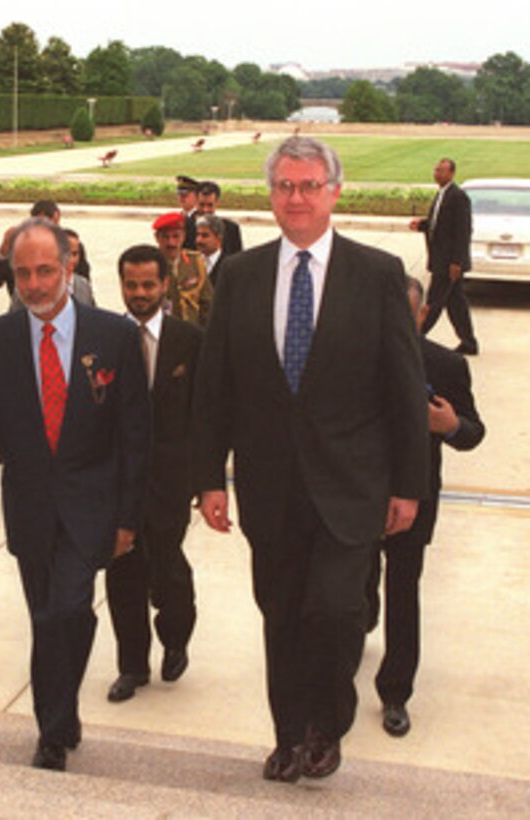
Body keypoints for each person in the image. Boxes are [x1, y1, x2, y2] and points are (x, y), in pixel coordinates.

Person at [193, 136, 429, 783]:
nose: (296, 198)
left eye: (309, 185)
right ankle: (289, 735)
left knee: (334, 609)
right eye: (284, 186)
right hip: (270, 487)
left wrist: (409, 485)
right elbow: (215, 389)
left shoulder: (377, 274)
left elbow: (405, 391)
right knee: (283, 614)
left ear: (335, 191)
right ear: (271, 195)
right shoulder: (239, 277)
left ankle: (327, 723)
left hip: (352, 486)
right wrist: (209, 478)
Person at [0, 218, 150, 771]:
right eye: (23, 274)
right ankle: (57, 723)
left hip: (93, 508)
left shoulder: (113, 336)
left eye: (45, 271)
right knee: (48, 615)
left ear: (69, 266)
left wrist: (128, 519)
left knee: (68, 606)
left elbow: (136, 436)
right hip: (31, 509)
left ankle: (53, 724)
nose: (35, 285)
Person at [366, 275, 484, 738]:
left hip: (415, 497)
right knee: (355, 582)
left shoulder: (446, 365)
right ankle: (359, 625)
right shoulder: (352, 360)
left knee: (403, 587)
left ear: (421, 314)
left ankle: (395, 691)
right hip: (357, 495)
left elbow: (474, 433)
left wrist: (452, 425)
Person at [105, 245, 201, 703]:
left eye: (148, 285)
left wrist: (206, 481)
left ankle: (177, 634)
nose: (139, 294)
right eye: (131, 285)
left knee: (168, 571)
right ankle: (132, 666)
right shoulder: (104, 339)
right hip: (117, 483)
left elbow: (206, 415)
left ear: (164, 285)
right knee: (123, 575)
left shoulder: (189, 341)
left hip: (169, 483)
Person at [410, 158, 477, 355]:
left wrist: (456, 261)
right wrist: (422, 225)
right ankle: (469, 342)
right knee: (456, 303)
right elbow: (439, 224)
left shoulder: (458, 197)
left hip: (448, 263)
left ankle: (417, 336)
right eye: (436, 170)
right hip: (440, 259)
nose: (437, 174)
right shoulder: (442, 195)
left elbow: (462, 231)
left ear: (451, 174)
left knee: (434, 301)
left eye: (441, 171)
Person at [0, 199, 92, 302]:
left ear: (56, 218)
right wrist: (3, 251)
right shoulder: (20, 248)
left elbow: (83, 288)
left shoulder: (71, 245)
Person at [153, 211, 212, 326]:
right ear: (156, 238)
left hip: (191, 331)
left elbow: (207, 303)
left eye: (176, 236)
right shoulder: (151, 264)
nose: (171, 243)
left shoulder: (195, 262)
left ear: (184, 236)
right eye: (165, 237)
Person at [197, 181, 243, 255]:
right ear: (196, 202)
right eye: (202, 205)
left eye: (210, 205)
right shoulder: (186, 228)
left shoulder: (231, 230)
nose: (205, 210)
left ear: (216, 203)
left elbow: (238, 261)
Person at [194, 213, 226, 287]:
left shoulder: (229, 266)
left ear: (218, 239)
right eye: (198, 235)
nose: (199, 240)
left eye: (205, 236)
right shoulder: (191, 263)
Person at [176, 175, 200, 250]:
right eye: (180, 195)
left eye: (185, 195)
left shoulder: (200, 218)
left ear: (196, 196)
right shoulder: (178, 217)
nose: (181, 198)